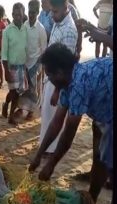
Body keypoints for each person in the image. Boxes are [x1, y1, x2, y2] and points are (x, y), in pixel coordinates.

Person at [29, 43, 113, 204]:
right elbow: (56, 123)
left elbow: (68, 134)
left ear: (59, 73)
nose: (48, 79)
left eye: (49, 75)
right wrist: (38, 155)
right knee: (100, 156)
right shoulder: (68, 82)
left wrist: (51, 164)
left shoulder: (78, 84)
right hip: (106, 109)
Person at [39, 0, 78, 154]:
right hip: (50, 78)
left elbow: (65, 68)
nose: (52, 15)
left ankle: (50, 151)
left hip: (57, 82)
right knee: (46, 114)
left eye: (55, 12)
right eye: (52, 11)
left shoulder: (69, 29)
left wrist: (57, 91)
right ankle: (46, 148)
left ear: (66, 8)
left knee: (53, 118)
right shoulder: (58, 21)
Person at [0, 2, 28, 125]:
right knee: (13, 92)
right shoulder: (7, 31)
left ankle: (6, 105)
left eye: (20, 15)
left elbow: (26, 48)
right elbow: (4, 53)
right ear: (12, 14)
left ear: (23, 15)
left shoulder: (25, 29)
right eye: (15, 15)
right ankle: (11, 115)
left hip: (22, 66)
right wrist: (5, 70)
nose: (18, 17)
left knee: (17, 92)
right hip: (11, 67)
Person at [24, 0, 47, 120]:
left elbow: (44, 50)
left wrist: (39, 67)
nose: (31, 14)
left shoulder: (41, 29)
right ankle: (27, 107)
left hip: (36, 62)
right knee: (26, 87)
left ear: (38, 13)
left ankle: (31, 111)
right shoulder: (25, 26)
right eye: (29, 12)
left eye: (33, 12)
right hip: (25, 62)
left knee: (34, 88)